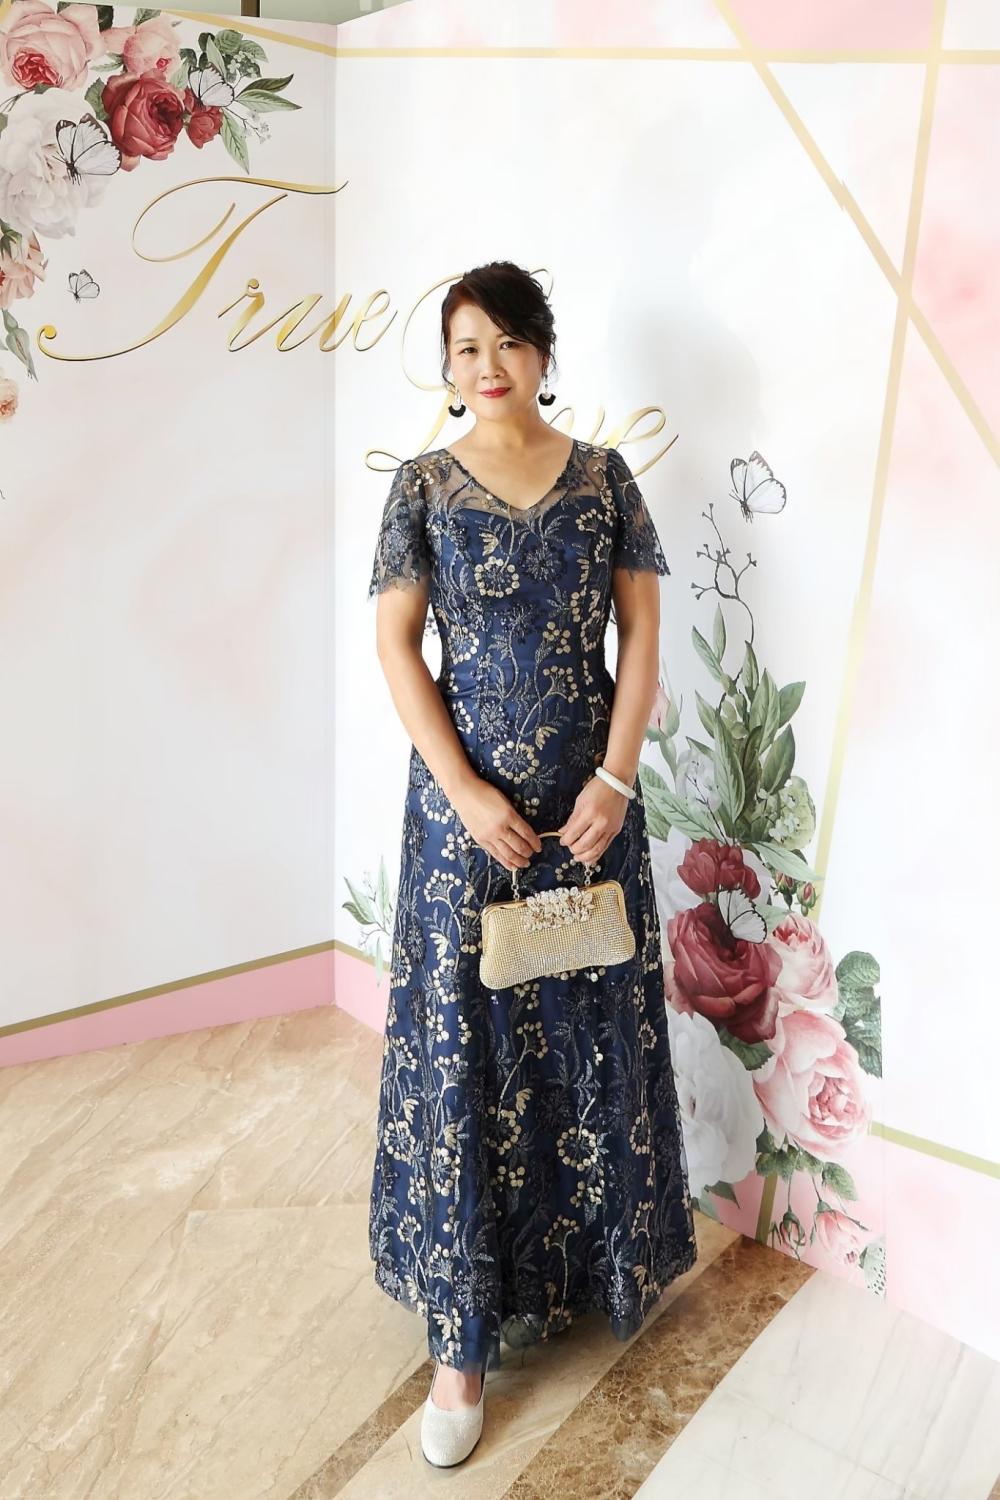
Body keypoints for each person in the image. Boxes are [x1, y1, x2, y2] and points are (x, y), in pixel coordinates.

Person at [366, 261, 697, 1467]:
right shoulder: (419, 487)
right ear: (447, 369)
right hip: (463, 819)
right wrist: (463, 792)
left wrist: (615, 781)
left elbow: (642, 632)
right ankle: (460, 1347)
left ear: (543, 354)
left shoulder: (605, 479)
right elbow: (398, 646)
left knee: (587, 1024)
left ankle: (595, 1270)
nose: (487, 364)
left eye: (506, 341)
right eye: (465, 347)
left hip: (588, 807)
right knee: (469, 1042)